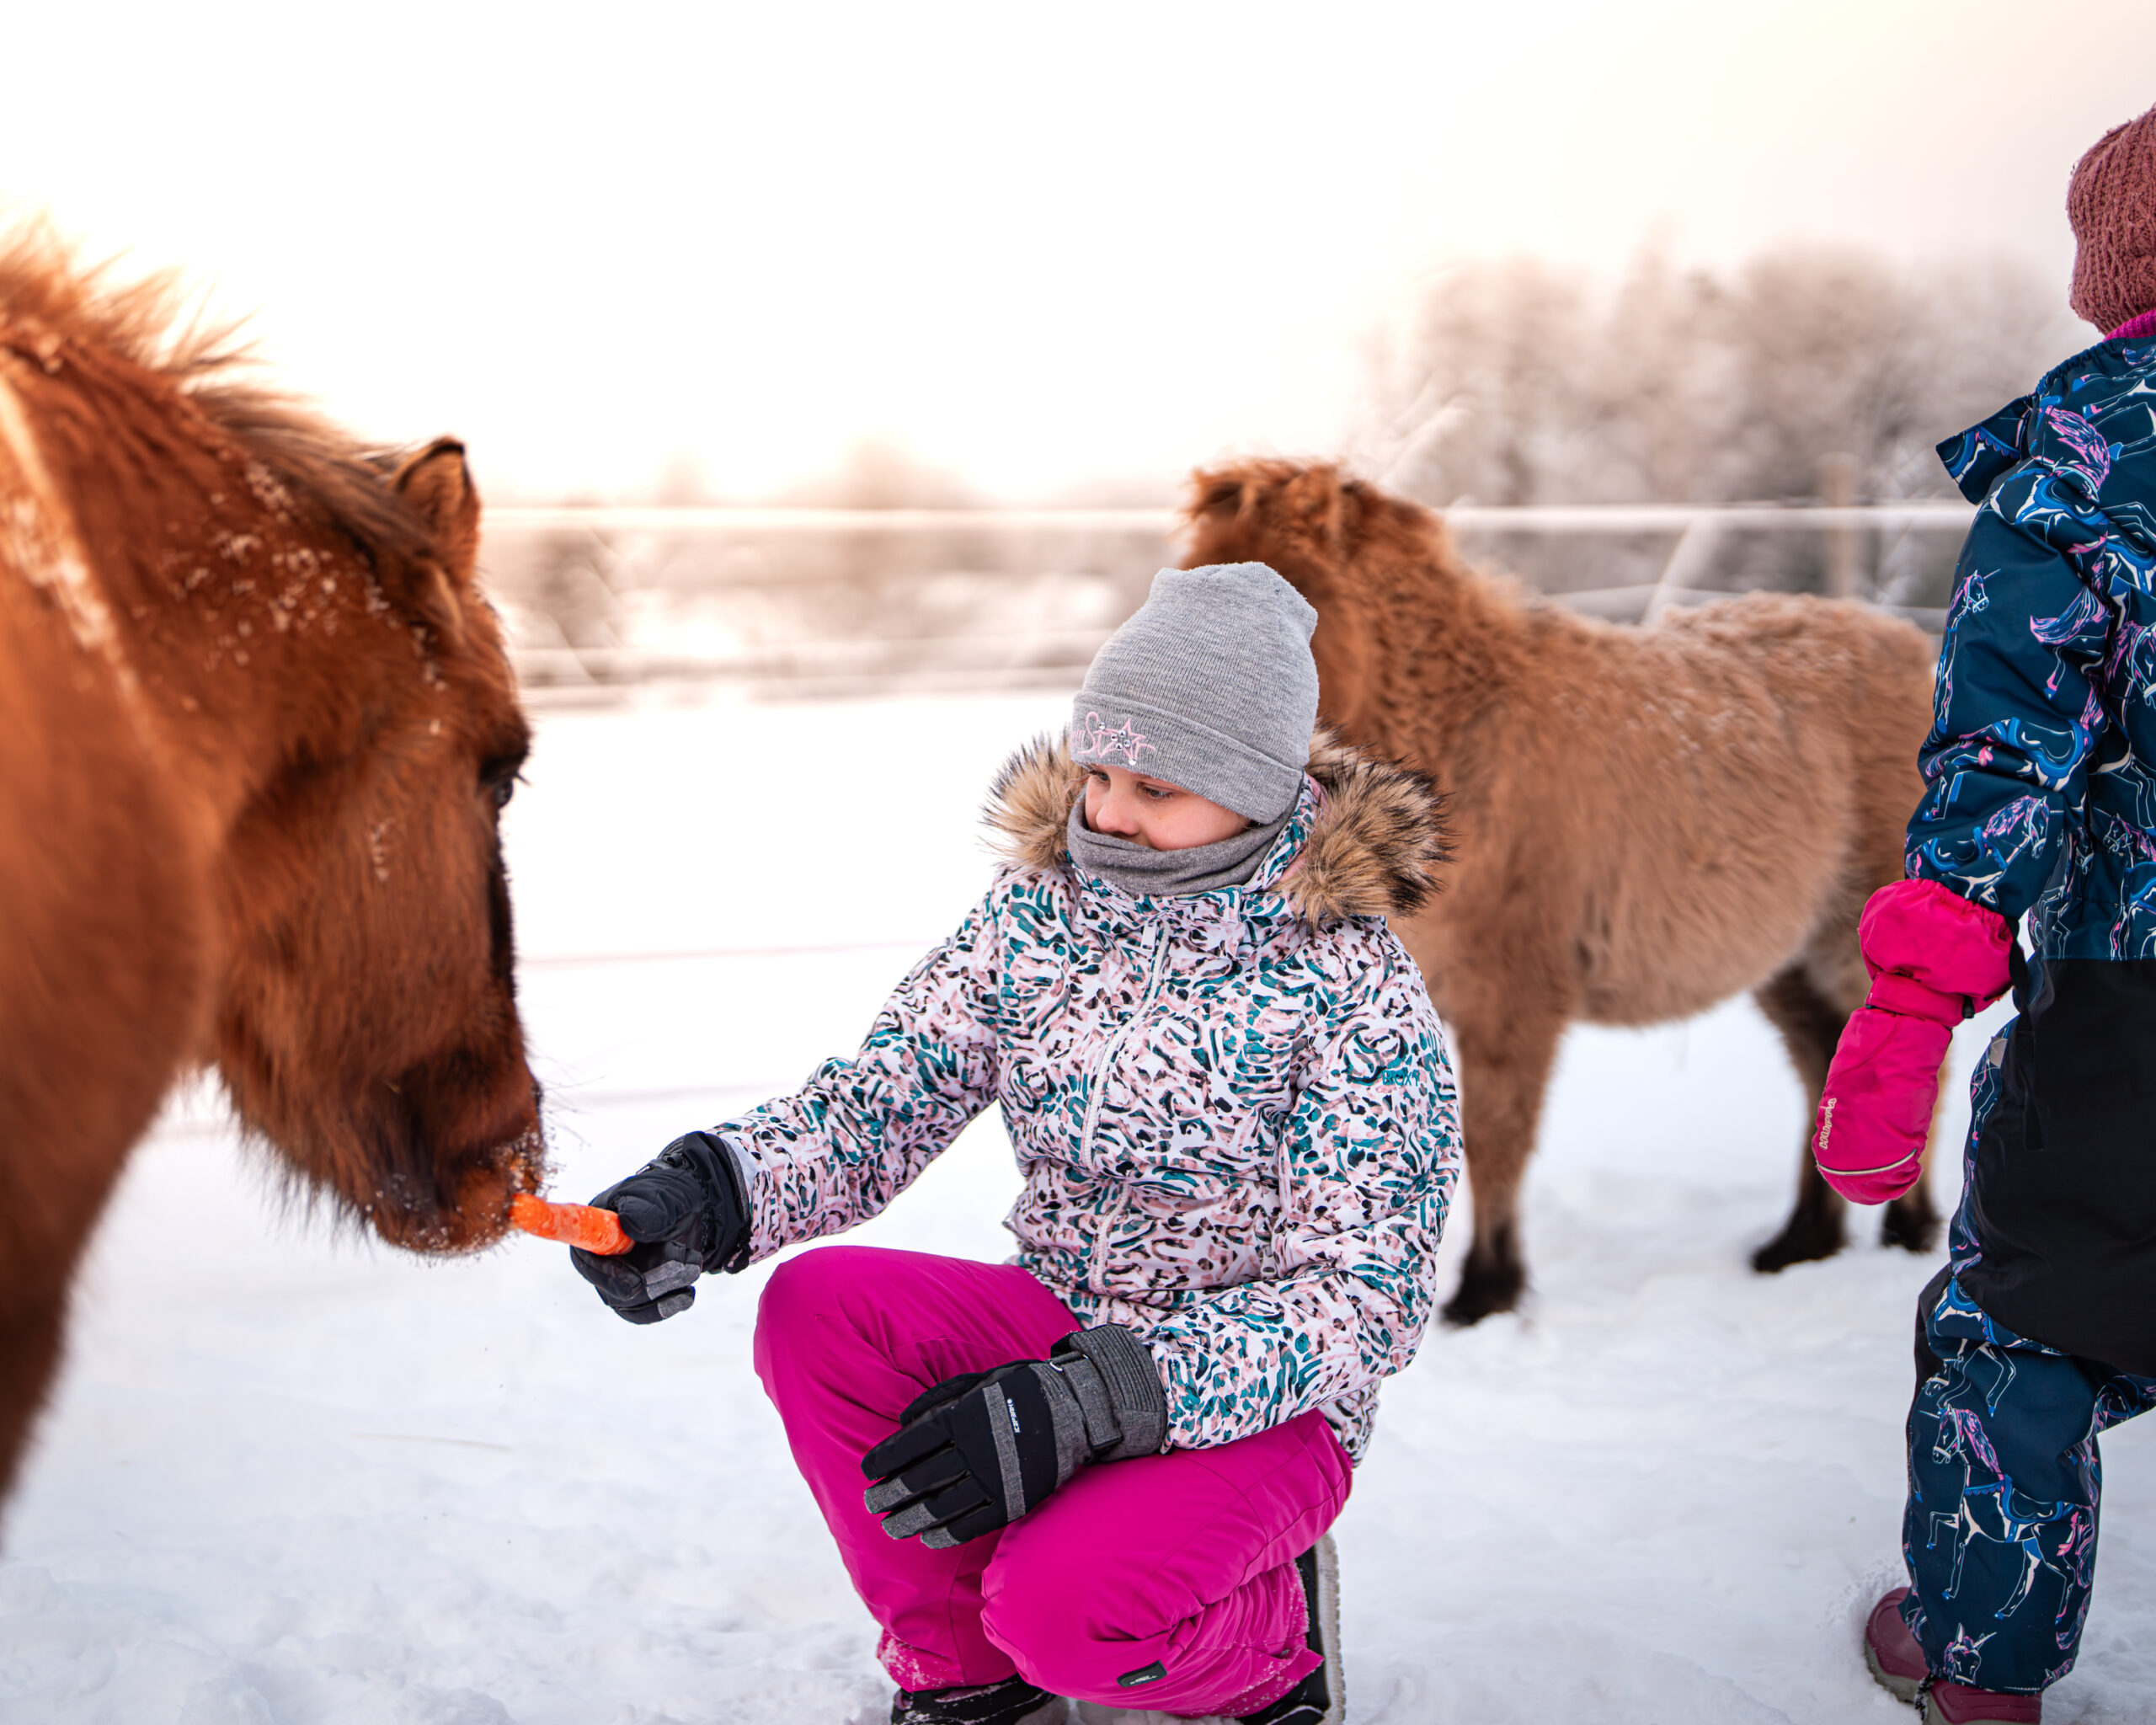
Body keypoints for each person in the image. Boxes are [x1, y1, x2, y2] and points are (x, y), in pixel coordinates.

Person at [573, 562, 1458, 1725]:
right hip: (1063, 1331)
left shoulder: (1352, 986)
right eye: (1098, 770)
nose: (1110, 812)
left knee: (1058, 1614)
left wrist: (1108, 1398)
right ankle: (962, 1677)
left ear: (1256, 789)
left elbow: (1367, 1297)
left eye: (1156, 784)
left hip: (1264, 1408)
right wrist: (716, 1192)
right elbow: (887, 1097)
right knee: (822, 1310)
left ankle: (1271, 1639)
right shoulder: (1039, 916)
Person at [1812, 101, 2156, 1725]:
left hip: (2127, 1004)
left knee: (2018, 1332)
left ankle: (1984, 1674)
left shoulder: (2085, 460)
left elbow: (2006, 749)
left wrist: (1910, 1002)